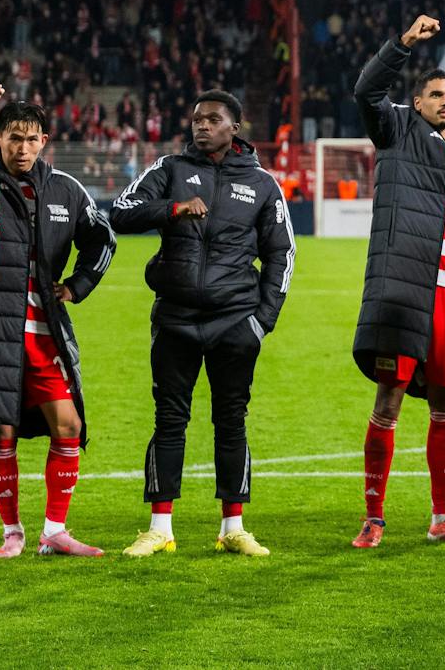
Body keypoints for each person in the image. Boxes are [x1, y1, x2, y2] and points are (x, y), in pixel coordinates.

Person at [112, 88, 295, 558]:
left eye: (213, 119)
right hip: (175, 317)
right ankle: (159, 528)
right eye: (197, 119)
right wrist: (173, 208)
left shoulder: (262, 184)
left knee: (231, 421)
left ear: (235, 127)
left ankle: (233, 526)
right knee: (169, 420)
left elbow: (282, 254)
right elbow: (121, 213)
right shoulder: (170, 169)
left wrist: (262, 322)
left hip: (235, 321)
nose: (201, 125)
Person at [349, 14, 445, 549]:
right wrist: (401, 45)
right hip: (407, 292)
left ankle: (443, 519)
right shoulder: (397, 130)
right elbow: (366, 90)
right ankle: (374, 517)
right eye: (436, 94)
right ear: (417, 102)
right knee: (388, 399)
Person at [0, 98, 116, 559]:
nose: (22, 148)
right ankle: (12, 531)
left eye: (31, 139)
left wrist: (78, 285)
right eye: (13, 138)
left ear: (44, 141)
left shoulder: (65, 188)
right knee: (3, 430)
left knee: (69, 425)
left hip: (43, 330)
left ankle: (54, 531)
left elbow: (104, 237)